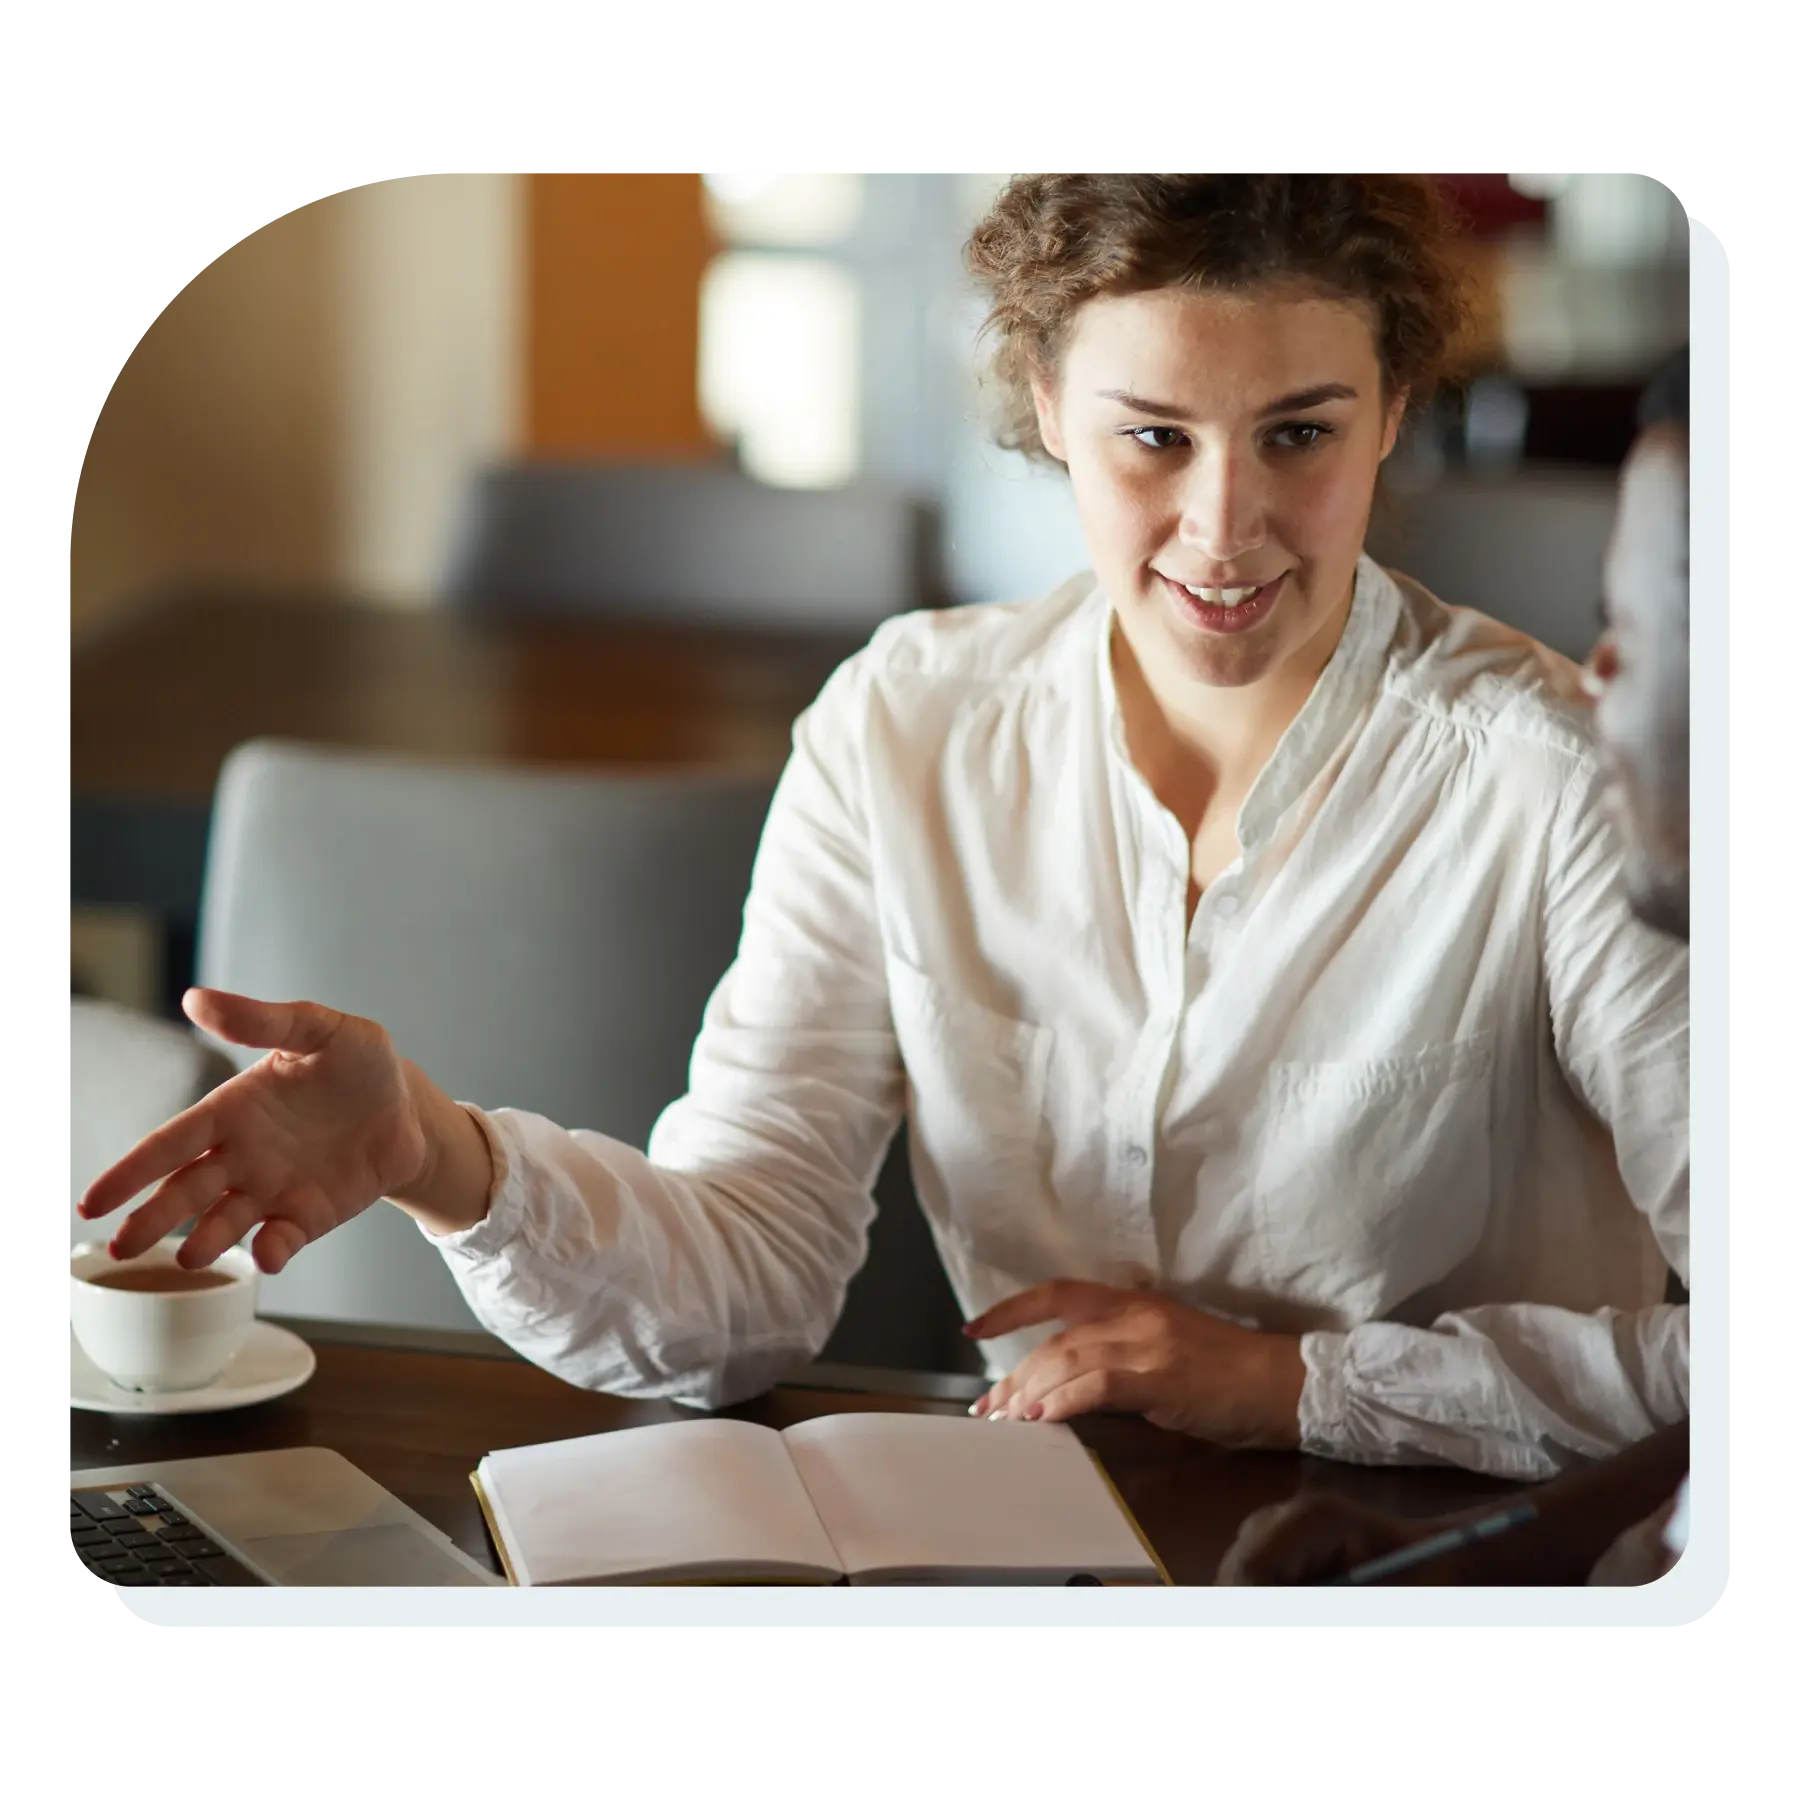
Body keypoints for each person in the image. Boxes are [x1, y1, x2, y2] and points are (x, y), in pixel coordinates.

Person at [78, 171, 1689, 1481]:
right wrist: (441, 1156)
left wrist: (1295, 1388)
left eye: (1300, 433)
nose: (1224, 526)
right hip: (1033, 1534)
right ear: (1048, 402)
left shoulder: (1556, 776)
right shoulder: (903, 724)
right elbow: (747, 1276)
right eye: (1153, 436)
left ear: (1397, 406)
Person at [1216, 346, 1694, 1584]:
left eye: (1653, 625)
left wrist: (1310, 1387)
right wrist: (1466, 1554)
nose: (1600, 677)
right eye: (1611, 621)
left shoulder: (1533, 777)